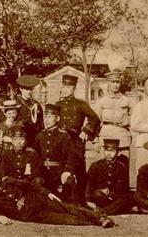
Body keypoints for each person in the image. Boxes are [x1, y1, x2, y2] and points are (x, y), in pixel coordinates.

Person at [0, 164, 115, 228]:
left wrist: (48, 193)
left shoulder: (7, 180)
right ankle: (94, 222)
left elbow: (30, 186)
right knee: (64, 219)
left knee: (67, 208)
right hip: (29, 215)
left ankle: (99, 218)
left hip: (38, 200)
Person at [55, 75, 101, 203]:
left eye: (68, 87)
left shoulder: (80, 104)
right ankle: (64, 197)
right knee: (63, 167)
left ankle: (82, 198)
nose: (65, 89)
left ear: (74, 88)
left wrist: (85, 131)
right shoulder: (58, 105)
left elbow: (95, 118)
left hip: (76, 141)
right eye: (63, 86)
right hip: (61, 142)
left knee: (78, 168)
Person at [35, 104, 79, 204]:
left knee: (69, 182)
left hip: (58, 173)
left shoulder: (63, 136)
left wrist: (67, 171)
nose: (47, 120)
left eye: (50, 117)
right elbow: (35, 155)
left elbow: (71, 157)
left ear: (57, 118)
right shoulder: (40, 135)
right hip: (43, 173)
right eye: (45, 117)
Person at [94, 69, 134, 161]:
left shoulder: (127, 100)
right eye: (113, 82)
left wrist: (128, 121)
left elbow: (136, 117)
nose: (116, 85)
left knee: (123, 166)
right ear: (108, 83)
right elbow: (95, 121)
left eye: (118, 82)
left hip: (122, 137)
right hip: (106, 136)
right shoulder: (101, 101)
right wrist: (95, 140)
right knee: (105, 168)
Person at [86, 139, 132, 215]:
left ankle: (102, 211)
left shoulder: (121, 167)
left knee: (128, 198)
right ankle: (111, 209)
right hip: (99, 197)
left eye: (113, 151)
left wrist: (110, 193)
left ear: (117, 152)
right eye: (107, 151)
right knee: (97, 194)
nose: (109, 154)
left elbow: (122, 187)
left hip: (114, 198)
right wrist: (88, 200)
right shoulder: (96, 166)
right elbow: (88, 184)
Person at [14, 75, 41, 144]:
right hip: (19, 138)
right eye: (26, 89)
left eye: (31, 89)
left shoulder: (36, 104)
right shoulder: (15, 103)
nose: (29, 92)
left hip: (34, 138)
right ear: (20, 89)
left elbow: (41, 123)